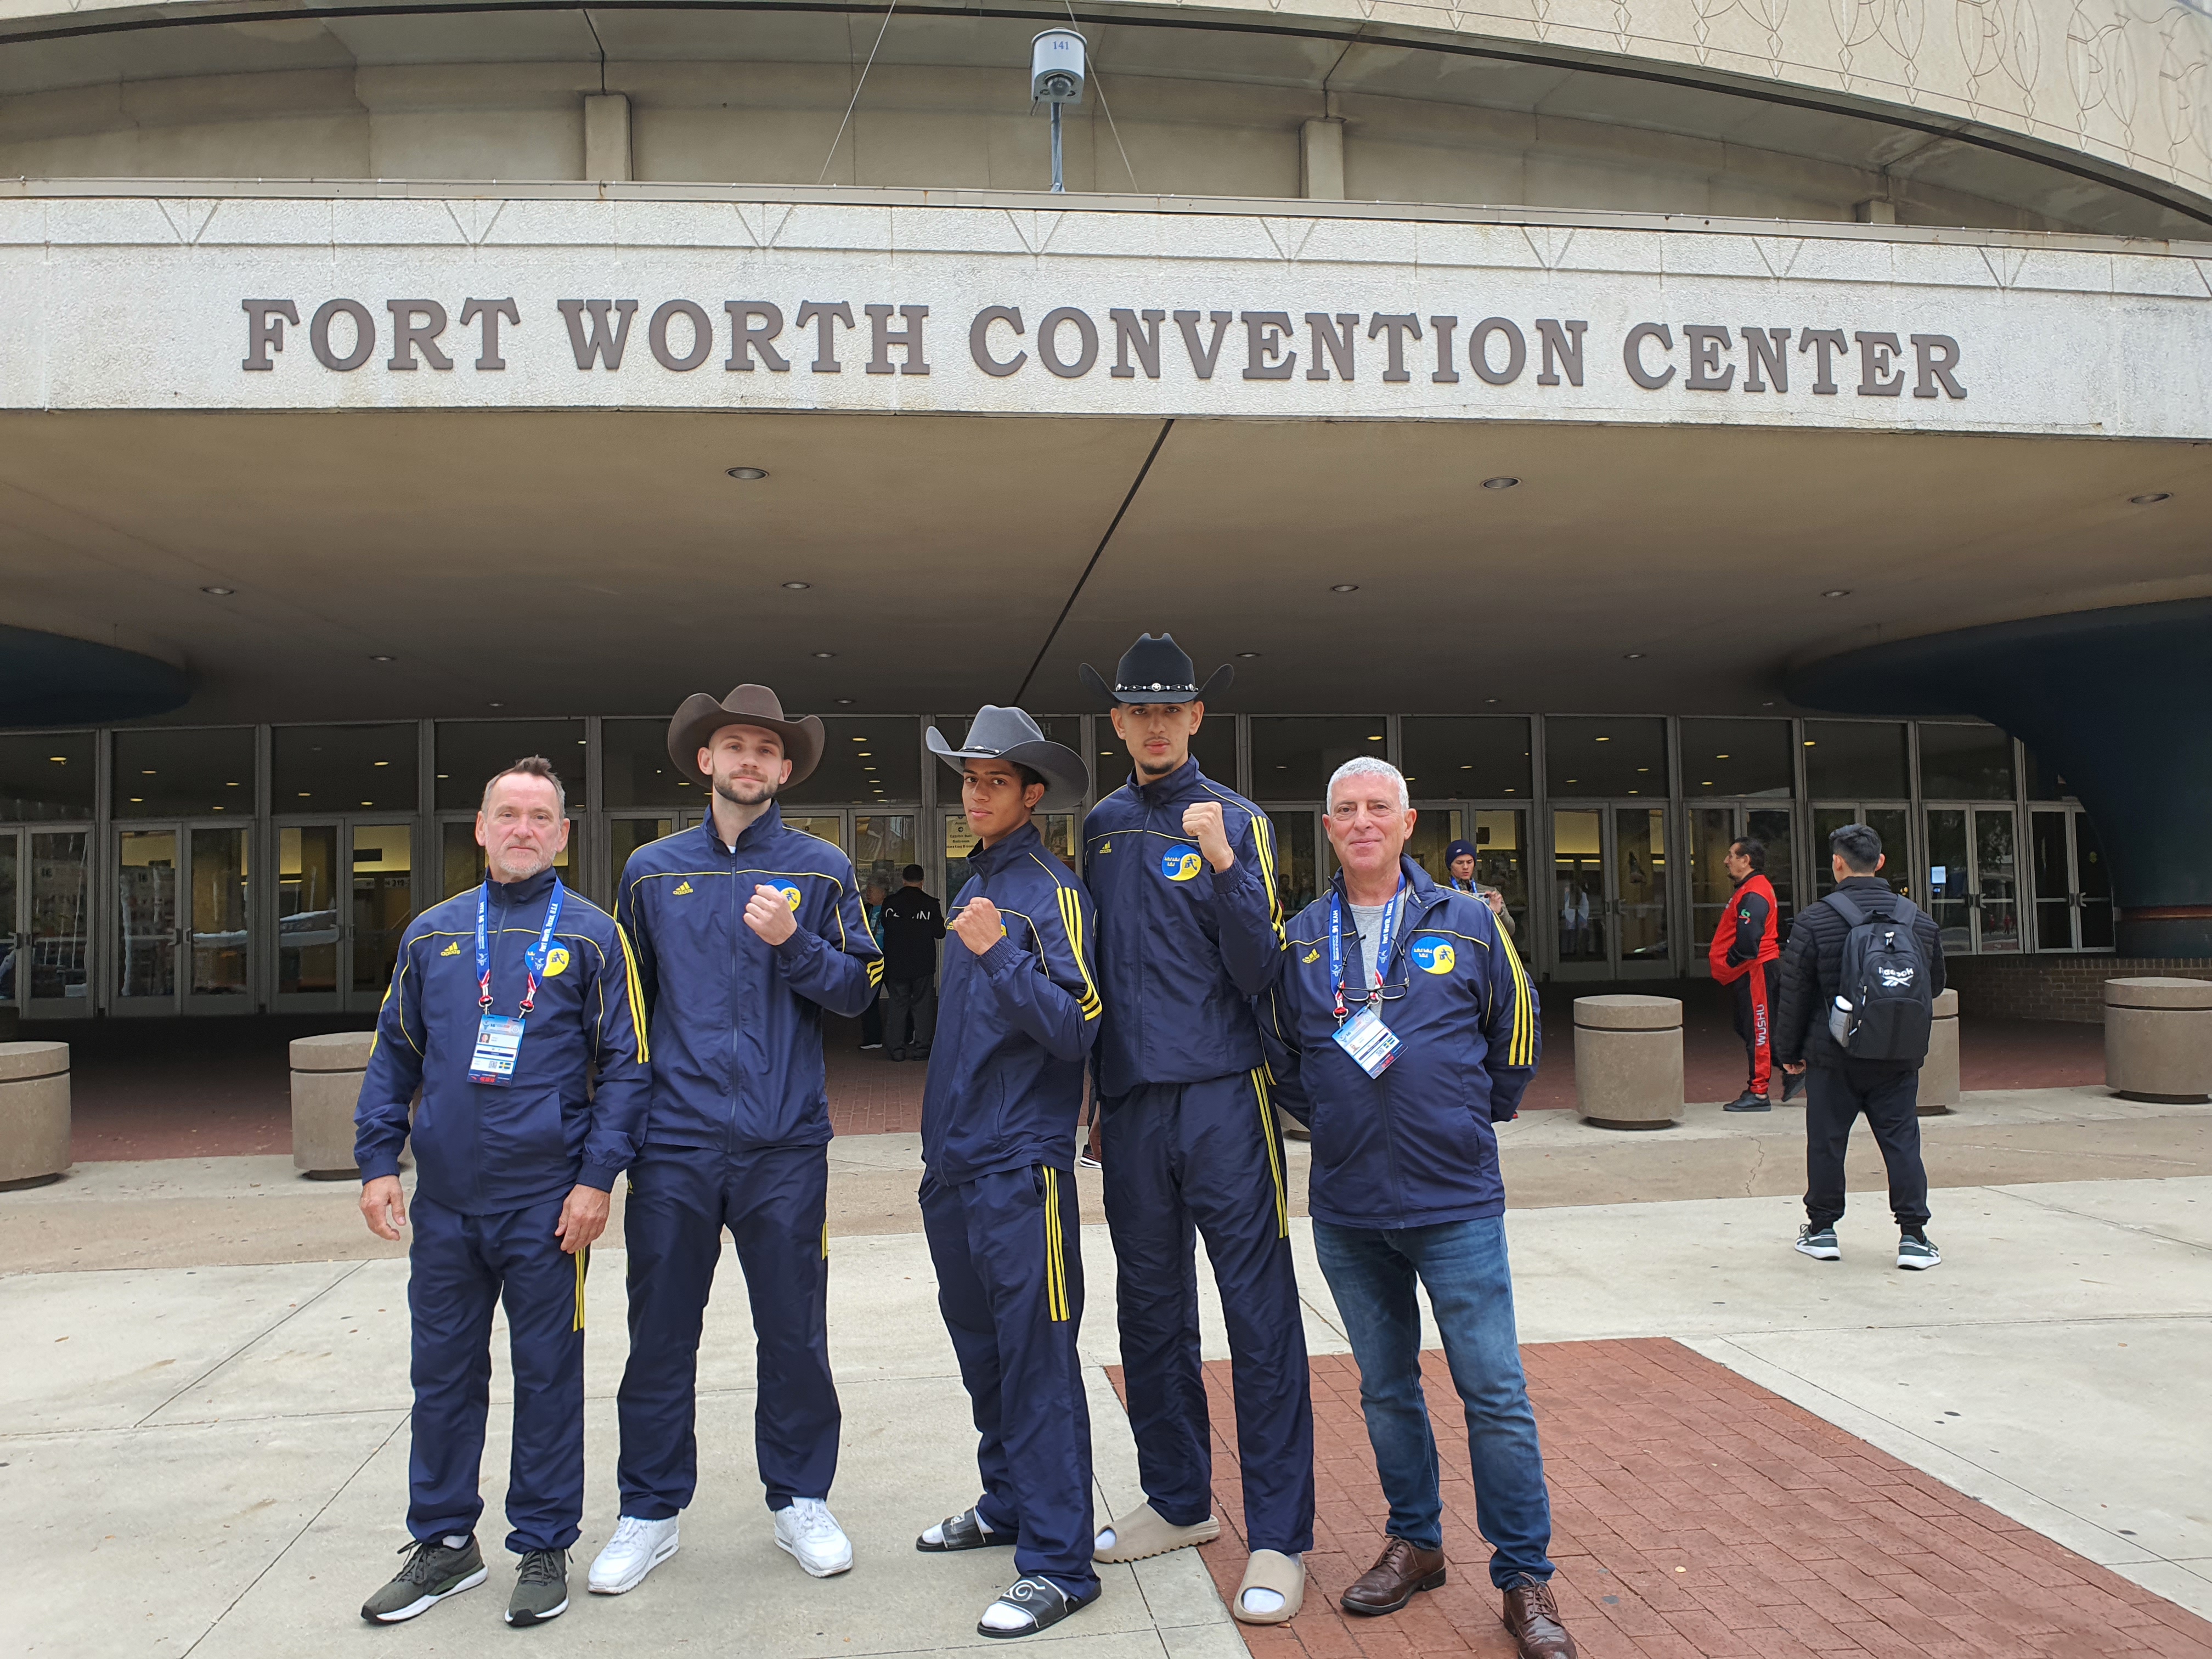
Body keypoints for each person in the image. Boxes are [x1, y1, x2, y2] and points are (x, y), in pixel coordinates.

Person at [1258, 757, 1576, 1659]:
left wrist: (1470, 1114)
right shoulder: (1302, 937)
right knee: (1387, 1386)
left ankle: (1524, 1576)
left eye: (1378, 807)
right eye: (1345, 809)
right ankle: (1417, 1539)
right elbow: (1282, 1050)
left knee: (1494, 1391)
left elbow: (1515, 1027)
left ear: (1407, 822)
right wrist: (1333, 1119)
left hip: (1455, 1198)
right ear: (1327, 828)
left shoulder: (1468, 920)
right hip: (1351, 1205)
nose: (1361, 820)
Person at [592, 685, 882, 1597]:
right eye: (733, 745)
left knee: (793, 1331)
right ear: (704, 762)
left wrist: (795, 938)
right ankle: (649, 1508)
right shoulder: (648, 869)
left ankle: (800, 1494)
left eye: (766, 747)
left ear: (786, 768)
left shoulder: (821, 865)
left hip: (782, 1140)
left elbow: (861, 988)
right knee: (660, 1334)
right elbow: (623, 1009)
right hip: (672, 1142)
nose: (749, 759)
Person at [353, 757, 648, 1629]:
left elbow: (629, 1069)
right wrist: (378, 1163)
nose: (523, 829)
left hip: (547, 1205)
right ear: (480, 829)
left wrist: (597, 1180)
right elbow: (392, 1057)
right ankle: (445, 1544)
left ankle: (545, 1541)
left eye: (540, 817)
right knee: (441, 1376)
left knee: (549, 1377)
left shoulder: (594, 936)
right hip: (444, 1205)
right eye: (507, 814)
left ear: (563, 836)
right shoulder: (431, 935)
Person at [1076, 632, 1314, 1625]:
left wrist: (1223, 864)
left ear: (1196, 719)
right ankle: (1178, 1499)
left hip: (1225, 1095)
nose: (1156, 723)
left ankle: (1278, 1533)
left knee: (1258, 1316)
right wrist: (1091, 1096)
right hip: (1132, 1104)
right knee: (1151, 1313)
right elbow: (1094, 965)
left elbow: (1264, 967)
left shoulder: (1241, 821)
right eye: (1139, 709)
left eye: (1172, 708)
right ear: (1119, 723)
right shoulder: (1097, 825)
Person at [912, 704, 1103, 1640]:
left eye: (995, 779)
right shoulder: (975, 882)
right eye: (968, 779)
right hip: (952, 1168)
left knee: (1036, 1361)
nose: (977, 793)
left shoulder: (1047, 889)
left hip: (1019, 1169)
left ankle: (1062, 1562)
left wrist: (998, 953)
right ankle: (1008, 1502)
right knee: (982, 1352)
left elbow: (1078, 1025)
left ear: (1032, 792)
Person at [1774, 822, 1946, 1271]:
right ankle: (1913, 1236)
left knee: (1828, 1141)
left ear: (1837, 863)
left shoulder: (1814, 920)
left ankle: (1823, 1230)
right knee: (1902, 1140)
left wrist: (1788, 1053)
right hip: (1898, 1055)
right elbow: (1937, 985)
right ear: (1881, 863)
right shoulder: (1920, 922)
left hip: (1833, 1053)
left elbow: (1794, 994)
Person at [1708, 837, 1785, 1113]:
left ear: (1746, 860)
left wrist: (1732, 960)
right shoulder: (1750, 889)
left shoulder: (1754, 892)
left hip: (1756, 971)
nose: (1726, 860)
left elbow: (1749, 937)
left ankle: (1759, 1092)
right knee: (1747, 1026)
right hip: (1751, 971)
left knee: (1758, 1030)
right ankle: (1793, 1067)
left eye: (1731, 855)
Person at [878, 862, 946, 1060]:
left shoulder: (890, 903)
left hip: (896, 962)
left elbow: (886, 925)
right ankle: (922, 1049)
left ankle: (897, 1050)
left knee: (897, 1005)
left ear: (903, 880)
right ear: (923, 882)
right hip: (923, 962)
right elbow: (940, 933)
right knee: (923, 1006)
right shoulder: (931, 904)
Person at [1444, 837, 1516, 941]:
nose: (1465, 867)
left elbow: (1510, 931)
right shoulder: (1442, 893)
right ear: (1450, 865)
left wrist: (1499, 913)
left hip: (1484, 952)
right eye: (1460, 863)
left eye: (1469, 862)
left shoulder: (1490, 893)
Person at [861, 879, 889, 1051]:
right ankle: (872, 1038)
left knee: (899, 999)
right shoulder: (866, 909)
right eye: (868, 890)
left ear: (883, 893)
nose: (868, 893)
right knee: (870, 998)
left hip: (890, 957)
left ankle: (907, 1034)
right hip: (872, 959)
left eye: (872, 890)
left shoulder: (890, 909)